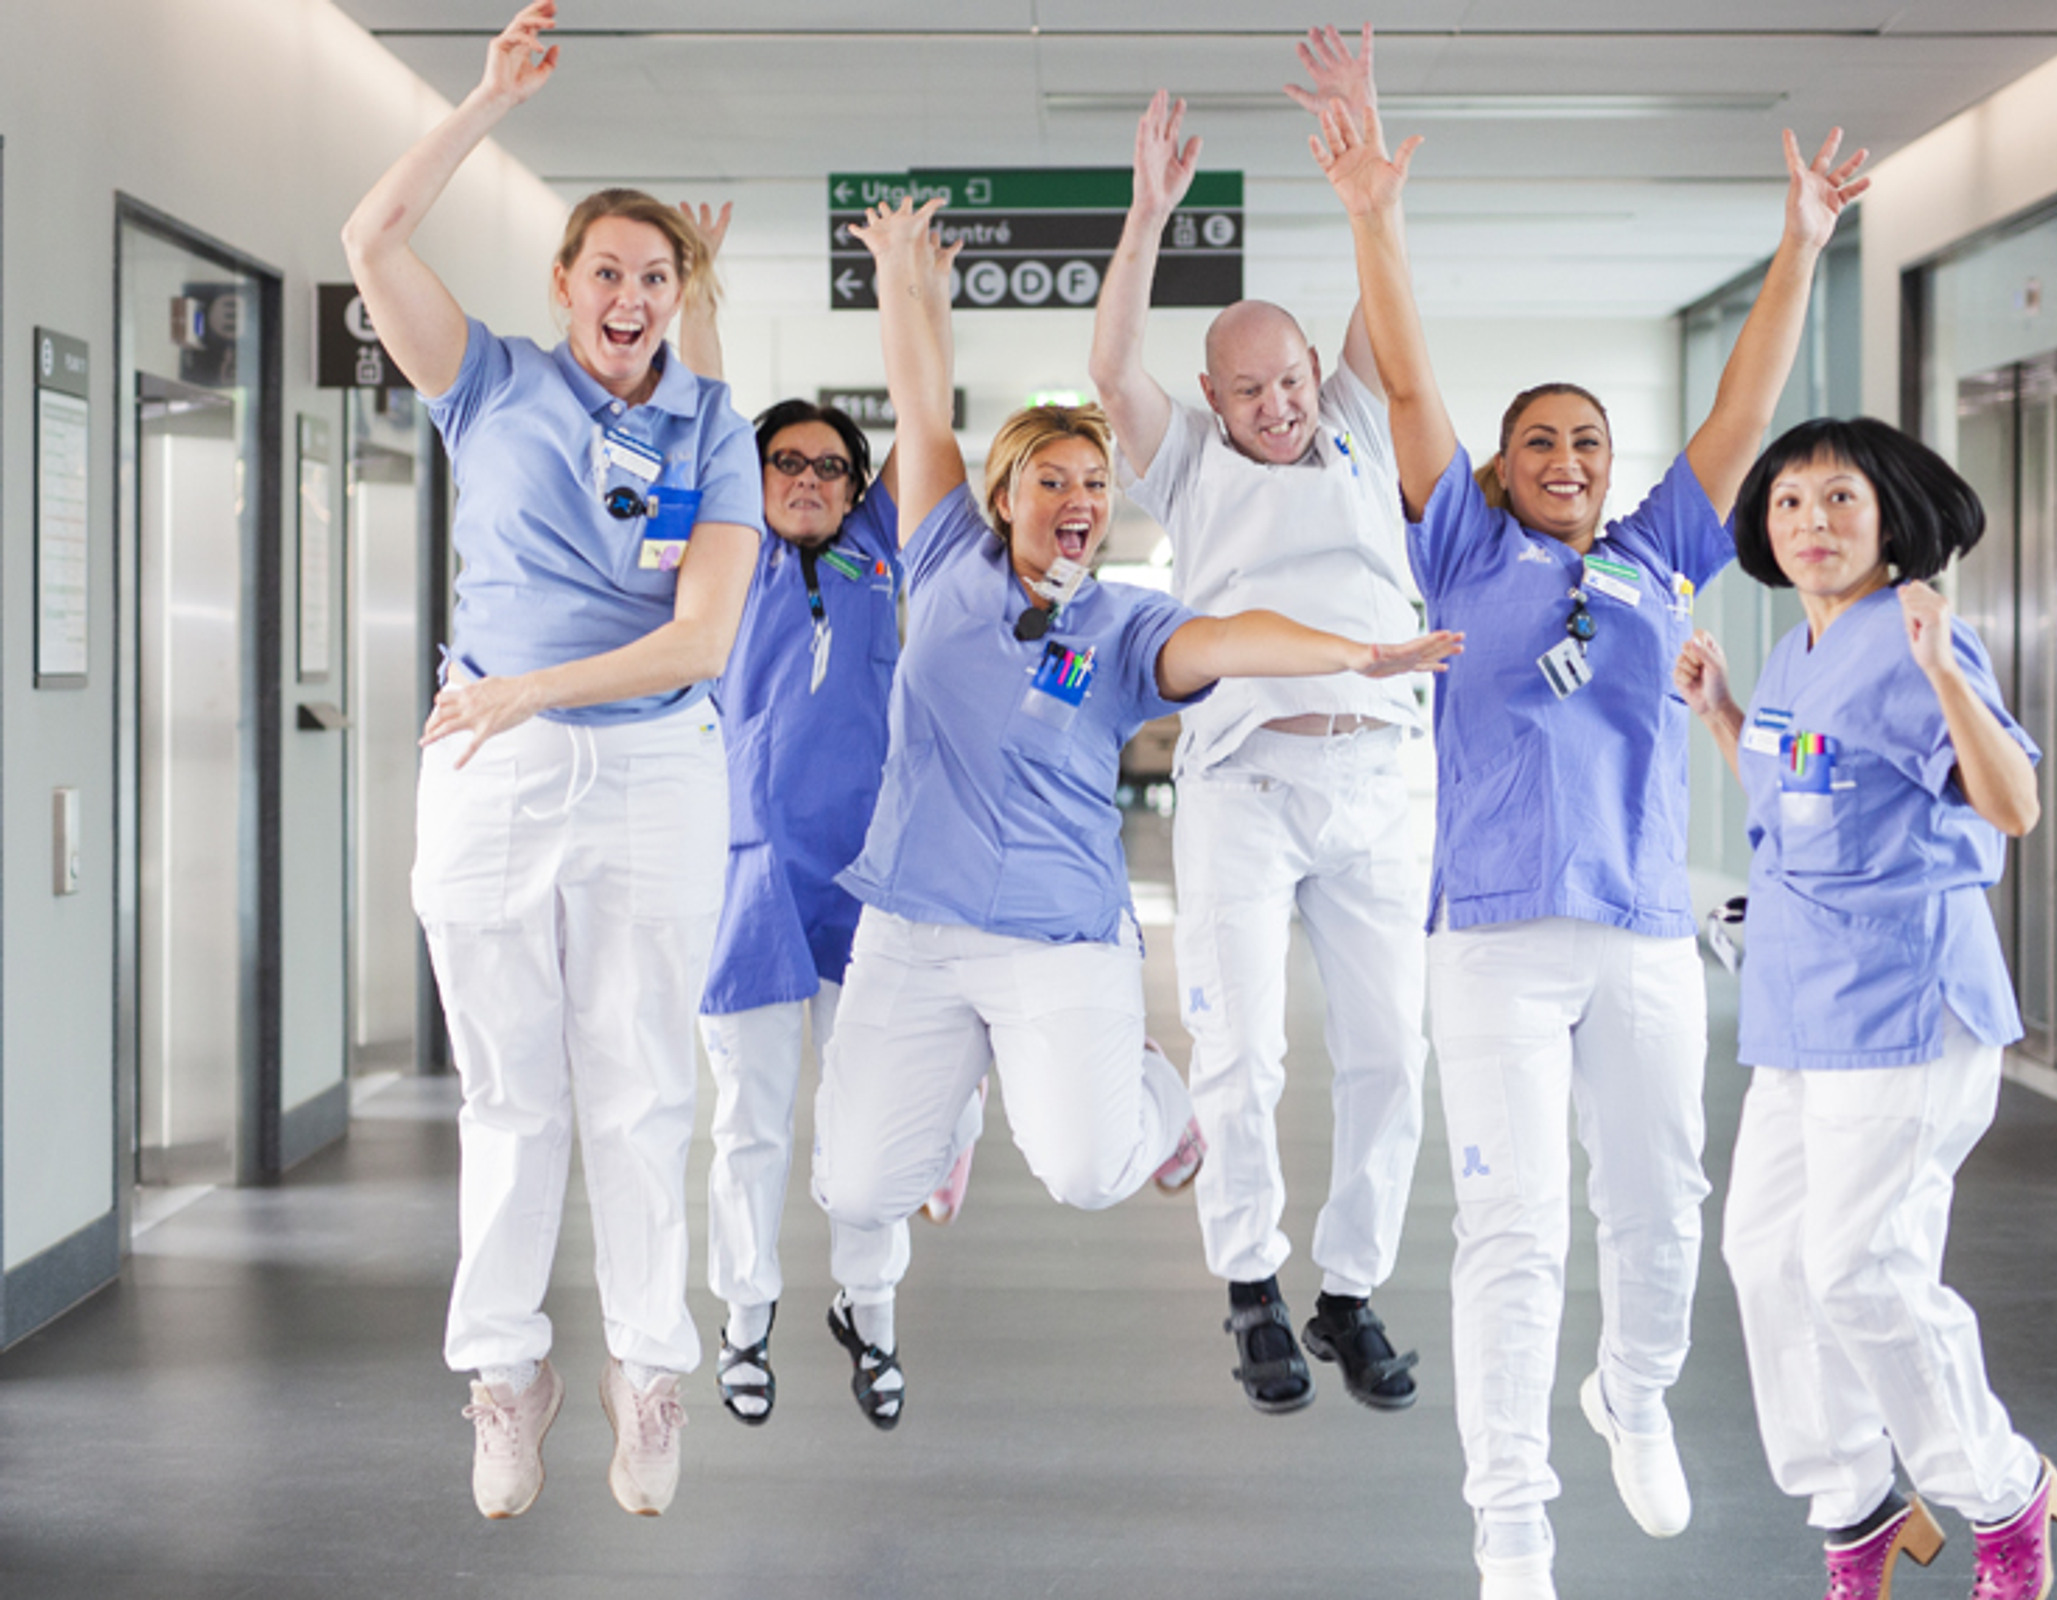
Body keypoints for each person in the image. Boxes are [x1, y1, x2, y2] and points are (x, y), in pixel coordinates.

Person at [1313, 92, 1866, 1600]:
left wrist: (1802, 247)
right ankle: (1511, 1527)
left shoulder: (1652, 558)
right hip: (1490, 937)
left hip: (1636, 931)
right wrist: (1374, 213)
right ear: (1499, 466)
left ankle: (1631, 1388)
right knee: (1512, 1227)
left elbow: (1741, 422)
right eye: (1539, 439)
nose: (1566, 454)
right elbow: (1410, 380)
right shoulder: (1464, 549)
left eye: (1589, 441)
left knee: (1663, 1198)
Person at [809, 195, 1461, 1430]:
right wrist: (904, 274)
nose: (1075, 497)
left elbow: (1231, 634)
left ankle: (1176, 1127)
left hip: (1063, 930)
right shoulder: (945, 555)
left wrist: (1351, 653)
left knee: (1099, 1170)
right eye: (1050, 477)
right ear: (1004, 494)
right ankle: (954, 1103)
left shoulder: (1122, 624)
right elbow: (923, 395)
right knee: (855, 1182)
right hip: (917, 923)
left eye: (1093, 484)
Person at [341, 0, 762, 1520]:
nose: (632, 294)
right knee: (512, 1091)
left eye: (659, 275)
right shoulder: (490, 382)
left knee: (642, 1087)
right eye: (608, 271)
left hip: (648, 766)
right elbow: (371, 236)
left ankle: (651, 1377)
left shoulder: (719, 430)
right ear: (567, 285)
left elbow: (701, 638)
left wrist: (537, 688)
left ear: (680, 293)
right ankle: (505, 1377)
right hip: (493, 769)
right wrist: (480, 102)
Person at [1089, 26, 1431, 1419]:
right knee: (1244, 1052)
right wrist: (1148, 217)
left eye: (1292, 378)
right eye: (1253, 389)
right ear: (1213, 397)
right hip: (1245, 784)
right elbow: (1111, 362)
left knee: (1390, 1053)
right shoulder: (1183, 462)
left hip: (1382, 781)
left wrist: (1369, 168)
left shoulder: (1351, 412)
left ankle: (1347, 1289)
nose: (1282, 403)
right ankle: (1251, 1289)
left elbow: (1382, 309)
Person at [1677, 417, 2057, 1600]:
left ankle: (2003, 1491)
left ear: (1890, 515)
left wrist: (1949, 672)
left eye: (1841, 499)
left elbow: (2015, 805)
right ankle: (1855, 1504)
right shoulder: (1799, 650)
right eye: (1791, 504)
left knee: (1858, 1266)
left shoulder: (1914, 641)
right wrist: (1728, 718)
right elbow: (1806, 791)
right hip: (1802, 1005)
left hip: (1904, 1004)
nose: (1813, 525)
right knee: (1765, 1258)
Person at [671, 212, 985, 1431]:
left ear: (853, 489)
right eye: (783, 464)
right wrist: (699, 282)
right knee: (748, 1117)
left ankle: (872, 1309)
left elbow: (925, 415)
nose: (807, 480)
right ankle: (743, 1315)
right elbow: (700, 399)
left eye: (828, 467)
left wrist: (915, 289)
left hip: (864, 883)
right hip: (746, 880)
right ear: (752, 481)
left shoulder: (877, 555)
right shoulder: (728, 553)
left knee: (873, 1114)